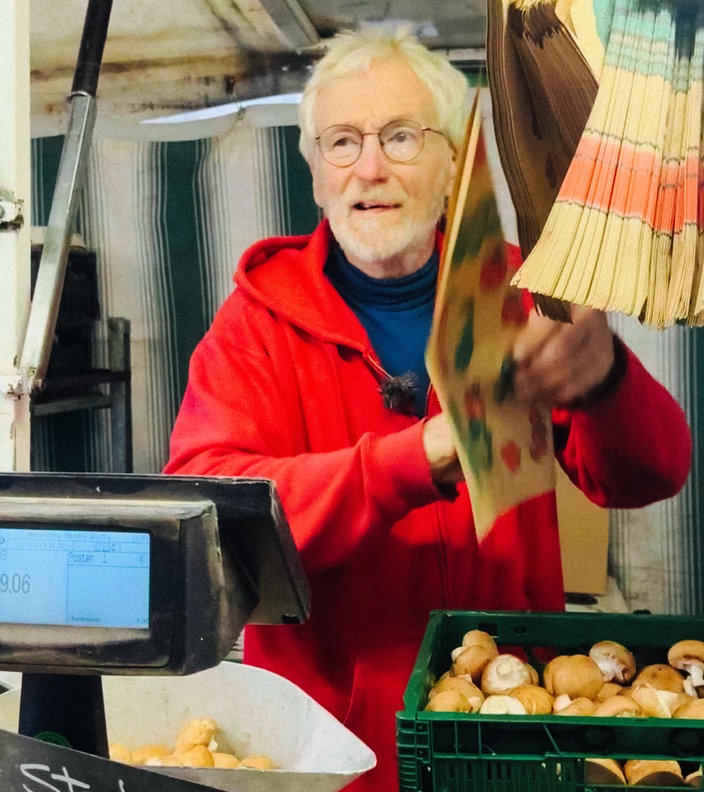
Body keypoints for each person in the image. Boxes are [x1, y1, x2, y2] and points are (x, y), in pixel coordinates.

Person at [164, 28, 692, 791]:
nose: (368, 168)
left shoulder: (523, 297)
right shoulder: (256, 325)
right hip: (333, 757)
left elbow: (655, 472)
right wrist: (420, 457)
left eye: (402, 137)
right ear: (313, 172)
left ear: (454, 162)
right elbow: (213, 511)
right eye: (340, 142)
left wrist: (606, 380)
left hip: (504, 726)